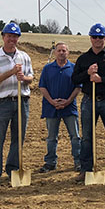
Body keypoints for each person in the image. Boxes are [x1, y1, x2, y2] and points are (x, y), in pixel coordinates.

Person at [0, 22, 34, 187]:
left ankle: (13, 170)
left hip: (22, 101)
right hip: (2, 102)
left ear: (18, 38)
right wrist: (11, 73)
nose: (12, 39)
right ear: (3, 37)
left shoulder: (24, 57)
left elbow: (31, 78)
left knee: (18, 138)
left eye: (15, 36)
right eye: (9, 36)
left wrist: (23, 78)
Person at [72, 23, 105, 182]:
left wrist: (102, 79)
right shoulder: (83, 59)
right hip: (89, 101)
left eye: (100, 37)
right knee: (87, 137)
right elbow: (74, 79)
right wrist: (87, 73)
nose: (97, 40)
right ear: (90, 38)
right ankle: (85, 169)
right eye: (94, 37)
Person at [38, 42, 82, 172]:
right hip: (51, 108)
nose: (62, 53)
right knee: (52, 137)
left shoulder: (74, 68)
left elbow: (78, 86)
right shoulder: (47, 68)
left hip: (69, 108)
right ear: (55, 52)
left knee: (75, 136)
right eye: (59, 50)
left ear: (68, 52)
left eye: (64, 50)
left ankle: (78, 161)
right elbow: (42, 86)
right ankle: (50, 162)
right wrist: (52, 101)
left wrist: (68, 101)